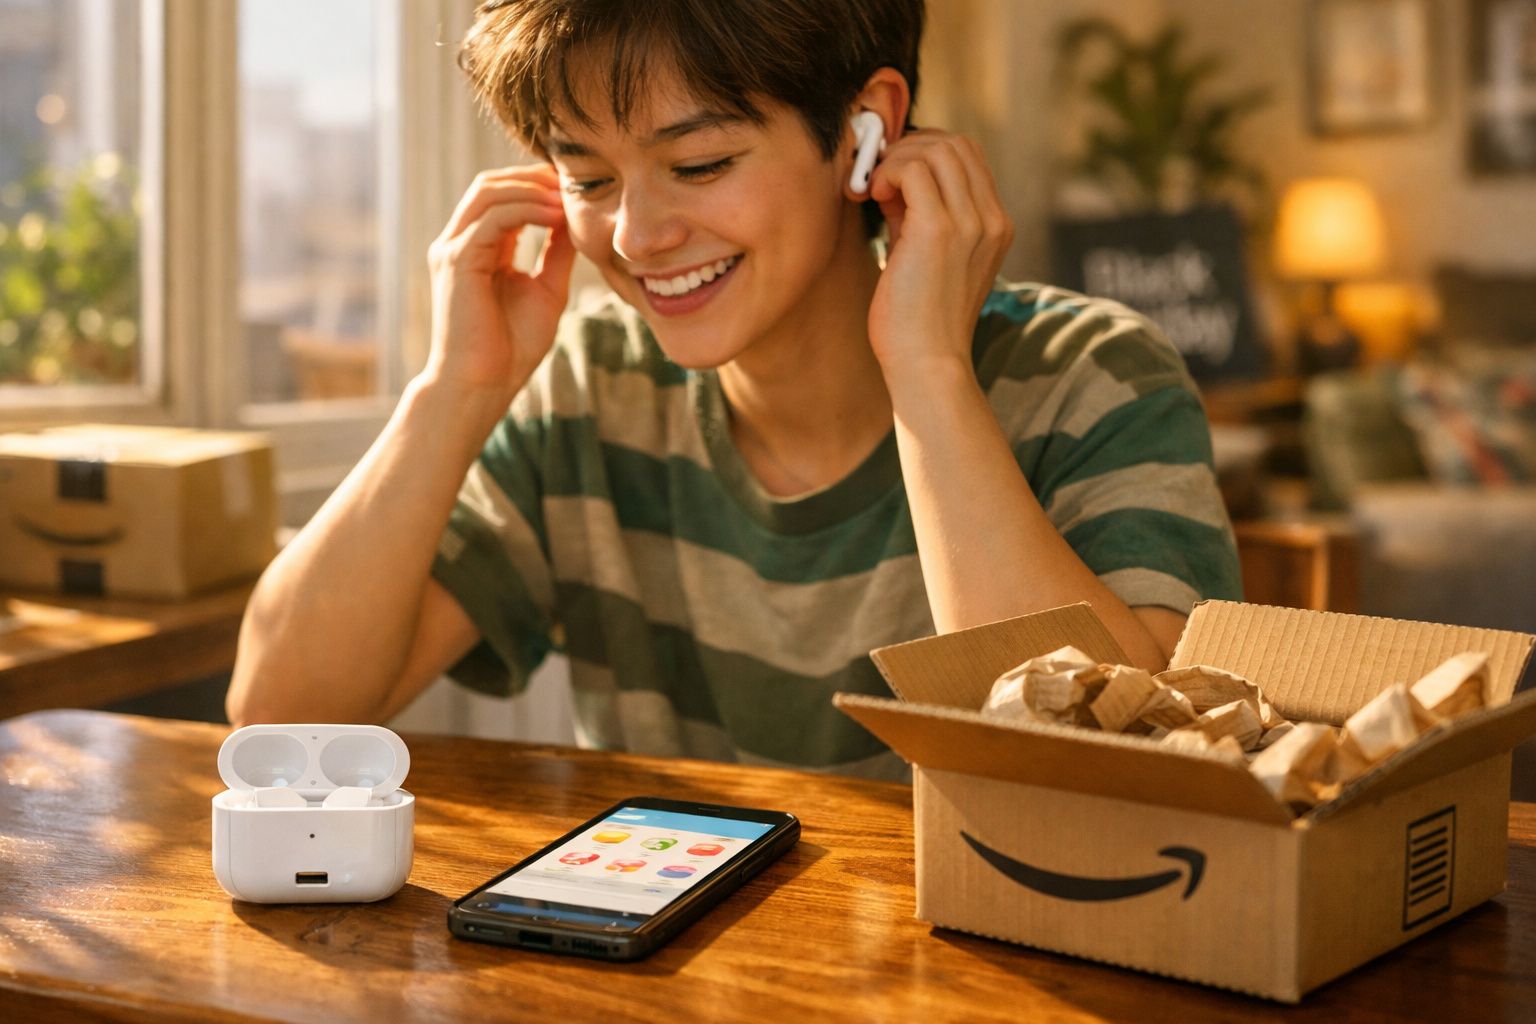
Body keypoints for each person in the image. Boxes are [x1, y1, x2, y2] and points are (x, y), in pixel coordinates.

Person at [226, 0, 1241, 779]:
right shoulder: (592, 386)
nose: (634, 236)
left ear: (864, 133)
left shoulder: (1091, 379)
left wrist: (929, 375)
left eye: (699, 162)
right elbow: (278, 717)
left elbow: (1134, 779)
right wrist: (453, 389)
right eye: (589, 179)